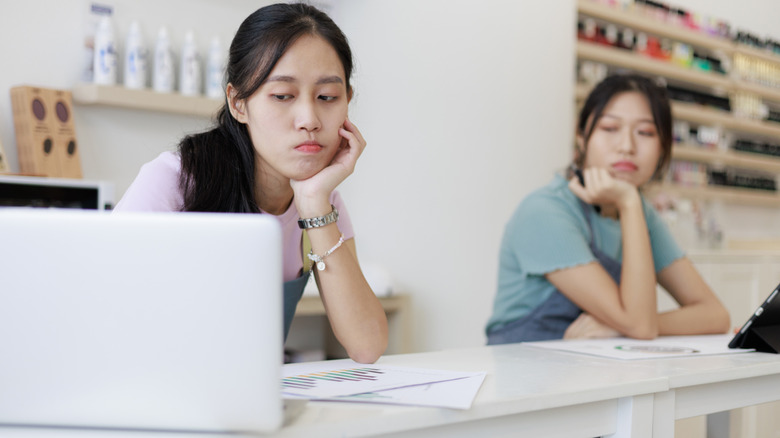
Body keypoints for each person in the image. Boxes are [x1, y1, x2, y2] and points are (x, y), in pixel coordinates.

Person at [113, 3, 388, 363]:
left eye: (327, 97)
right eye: (283, 96)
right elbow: (99, 311)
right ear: (238, 103)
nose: (309, 119)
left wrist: (313, 203)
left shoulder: (322, 201)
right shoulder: (174, 181)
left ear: (347, 101)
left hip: (254, 394)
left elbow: (367, 345)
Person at [486, 74, 730, 344]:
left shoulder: (640, 212)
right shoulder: (545, 211)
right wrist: (633, 325)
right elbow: (640, 326)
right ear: (581, 137)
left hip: (590, 364)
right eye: (610, 128)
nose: (627, 146)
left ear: (662, 147)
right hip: (523, 365)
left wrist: (623, 326)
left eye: (645, 133)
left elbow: (716, 315)